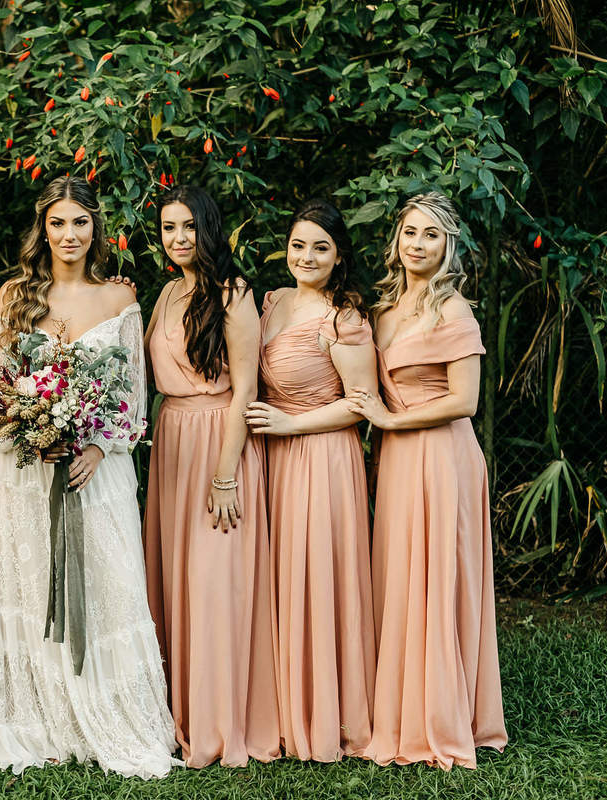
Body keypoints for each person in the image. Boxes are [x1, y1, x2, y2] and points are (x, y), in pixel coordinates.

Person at [0, 176, 178, 779]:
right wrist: (31, 425)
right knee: (35, 580)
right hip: (27, 468)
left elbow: (133, 395)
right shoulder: (15, 296)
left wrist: (95, 442)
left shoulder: (119, 298)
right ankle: (44, 719)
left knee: (109, 576)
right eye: (58, 223)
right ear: (43, 229)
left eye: (81, 223)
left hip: (100, 467)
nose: (69, 235)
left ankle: (119, 715)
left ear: (97, 228)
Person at [345, 191, 507, 769]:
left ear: (448, 247)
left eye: (431, 236)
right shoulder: (384, 309)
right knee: (401, 578)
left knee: (436, 578)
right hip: (397, 460)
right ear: (396, 240)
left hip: (441, 457)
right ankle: (400, 706)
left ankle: (436, 716)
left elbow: (465, 400)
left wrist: (391, 418)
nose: (417, 244)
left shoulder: (454, 310)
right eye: (410, 233)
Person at [141, 185, 281, 767]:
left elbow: (246, 387)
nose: (179, 239)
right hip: (171, 442)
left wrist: (226, 476)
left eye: (189, 227)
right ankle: (175, 714)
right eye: (170, 228)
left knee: (215, 582)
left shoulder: (235, 294)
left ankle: (222, 722)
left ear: (209, 229)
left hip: (219, 441)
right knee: (177, 582)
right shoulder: (167, 293)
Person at [244, 199, 377, 762]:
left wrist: (291, 423)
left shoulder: (345, 317)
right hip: (274, 462)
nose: (307, 256)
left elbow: (361, 404)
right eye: (299, 244)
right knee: (279, 580)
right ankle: (279, 706)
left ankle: (328, 713)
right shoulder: (271, 302)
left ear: (338, 255)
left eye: (320, 247)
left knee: (319, 579)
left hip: (323, 458)